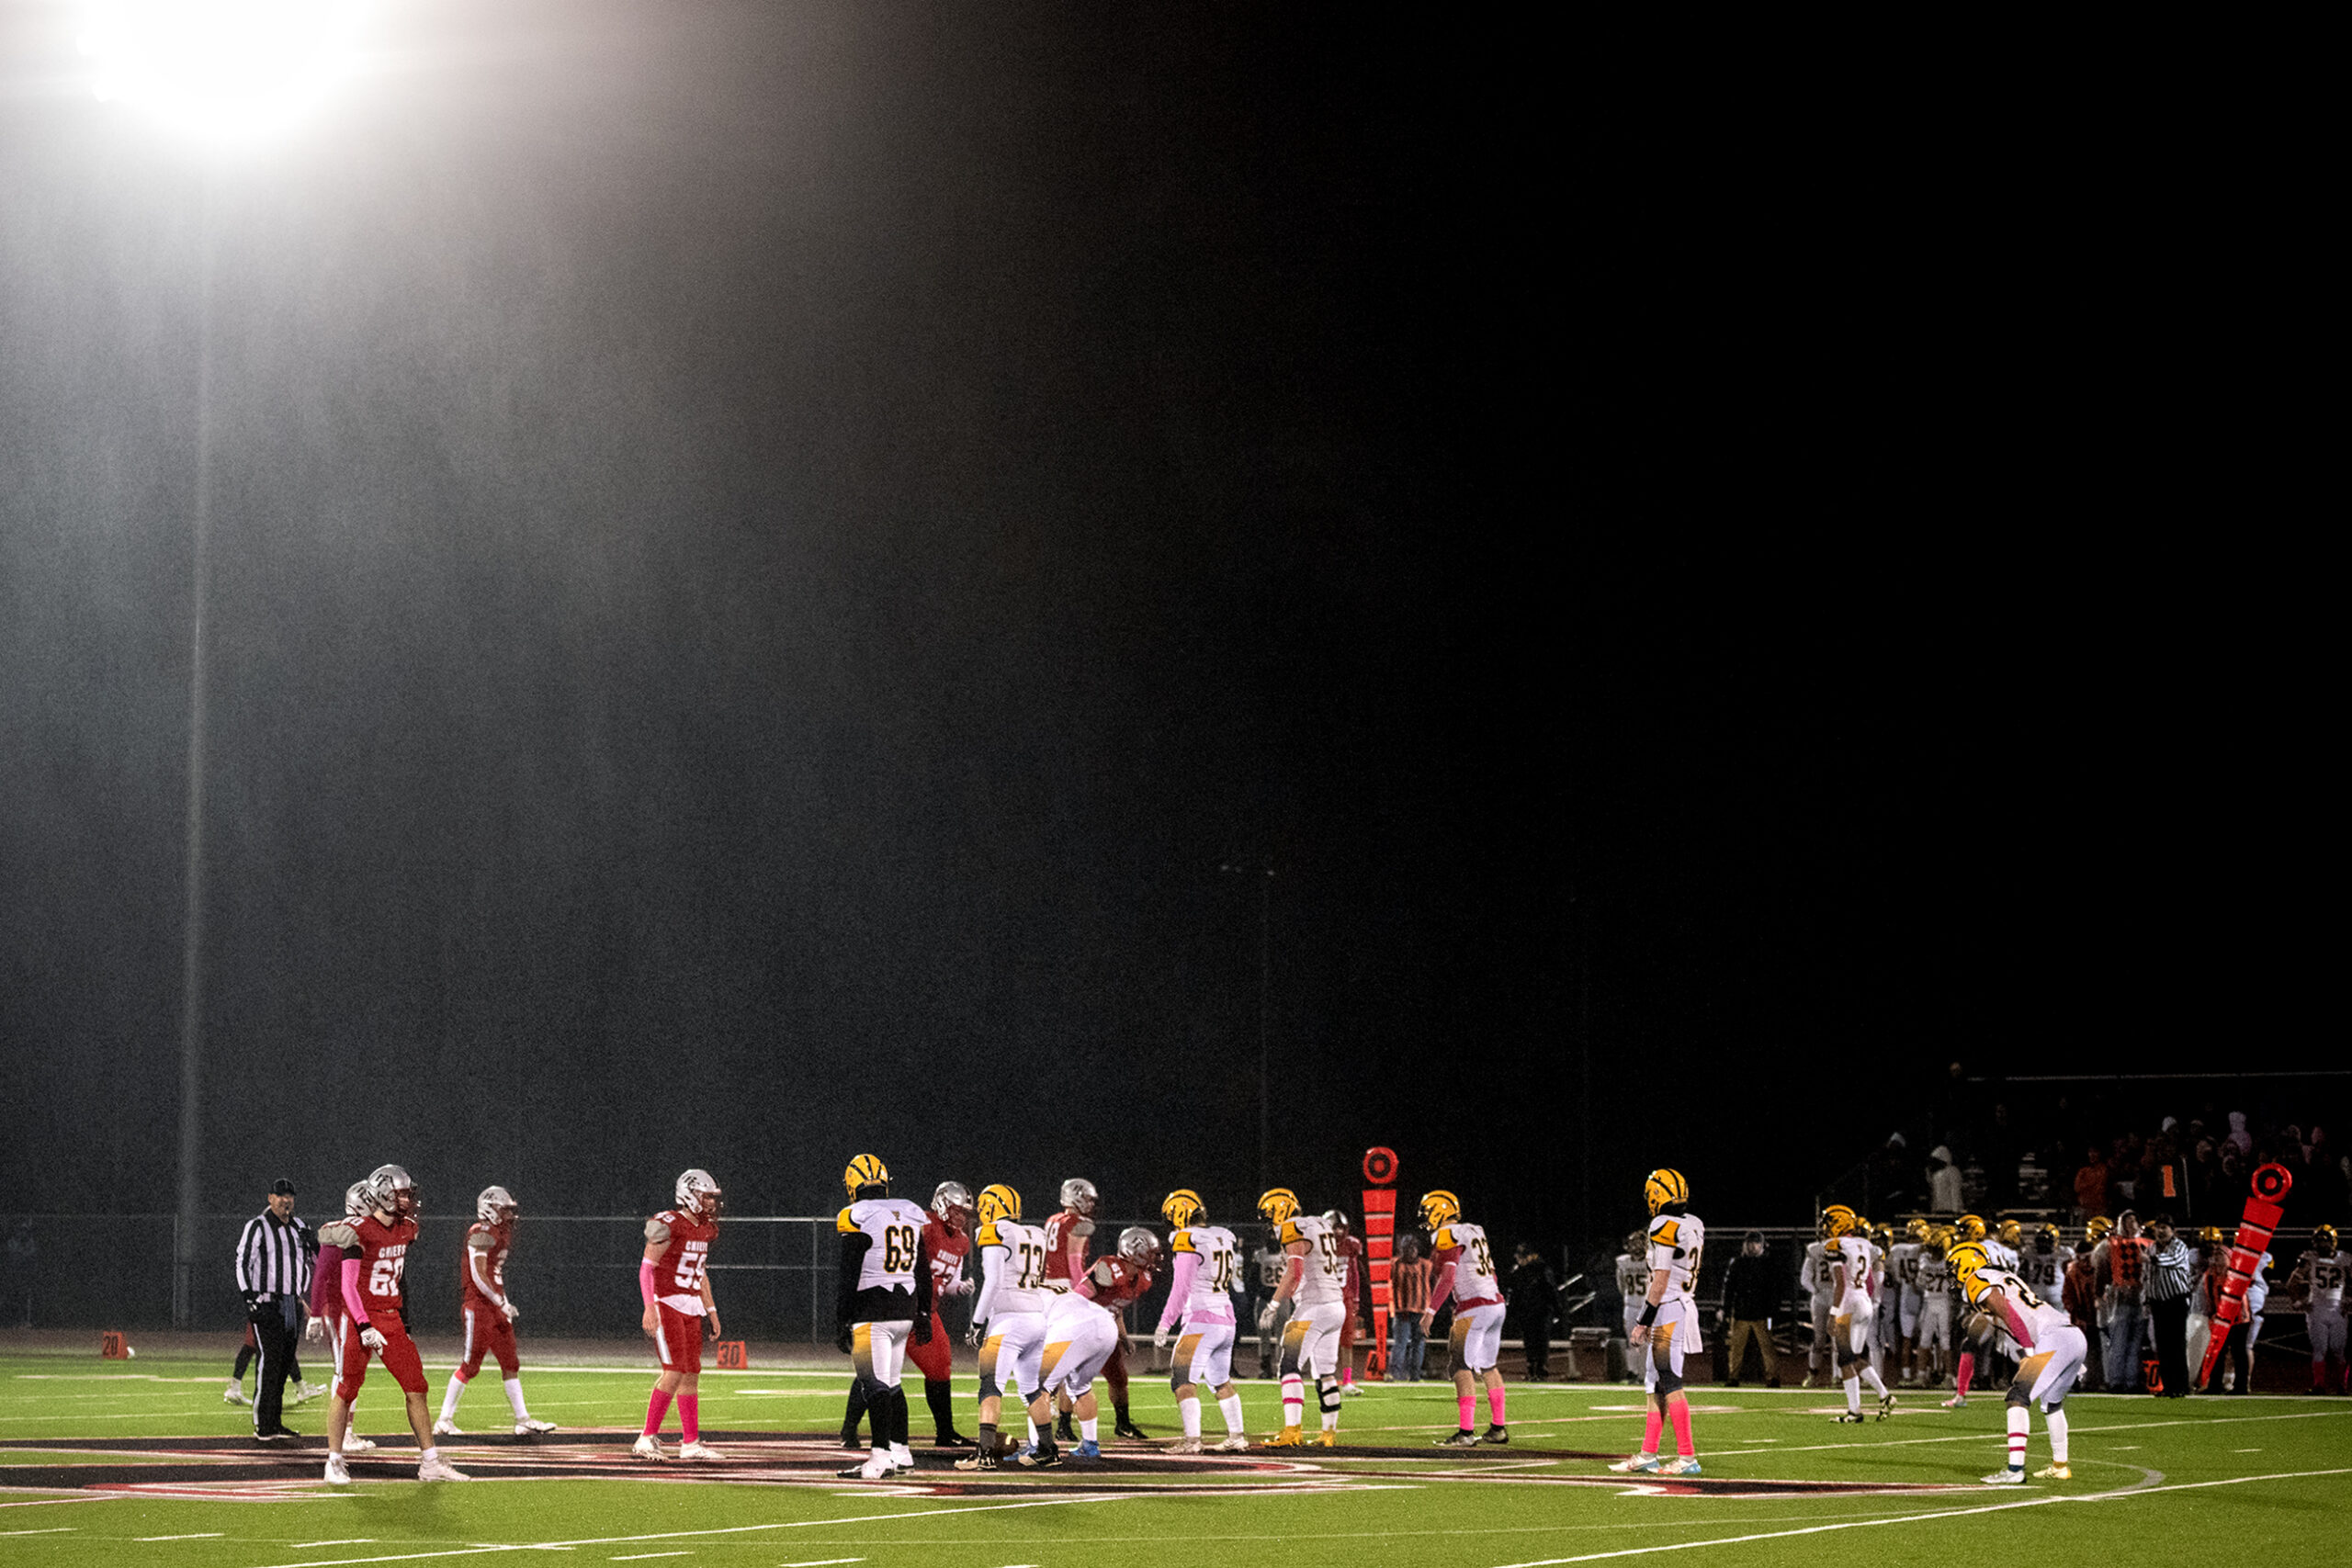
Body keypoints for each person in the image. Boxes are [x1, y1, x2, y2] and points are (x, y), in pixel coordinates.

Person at [318, 1165, 467, 1484]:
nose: (408, 1200)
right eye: (402, 1193)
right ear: (383, 1194)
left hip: (391, 1317)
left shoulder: (406, 1227)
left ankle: (429, 1463)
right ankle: (334, 1460)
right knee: (346, 1389)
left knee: (417, 1387)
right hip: (362, 1318)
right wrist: (362, 1325)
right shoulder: (360, 1231)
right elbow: (348, 1286)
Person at [1950, 1242, 2086, 1484]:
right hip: (2071, 1336)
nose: (1952, 1274)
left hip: (2052, 1339)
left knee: (2017, 1397)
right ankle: (2060, 1466)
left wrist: (2029, 1353)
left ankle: (2015, 1470)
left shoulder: (1976, 1280)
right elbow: (2008, 1312)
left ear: (1965, 1264)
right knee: (2052, 1403)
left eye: (1953, 1267)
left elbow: (2010, 1314)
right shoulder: (2002, 1276)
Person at [831, 1155, 933, 1480]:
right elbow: (923, 1271)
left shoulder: (857, 1215)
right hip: (905, 1309)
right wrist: (924, 1312)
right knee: (892, 1384)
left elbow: (849, 1274)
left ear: (852, 1185)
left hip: (872, 1311)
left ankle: (878, 1459)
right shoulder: (909, 1212)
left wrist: (842, 1318)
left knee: (872, 1385)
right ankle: (901, 1453)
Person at [435, 1186, 555, 1438]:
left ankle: (522, 1419)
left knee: (511, 1362)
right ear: (489, 1209)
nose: (509, 1215)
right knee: (470, 1366)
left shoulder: (501, 1233)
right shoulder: (480, 1233)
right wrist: (500, 1302)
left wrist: (503, 1302)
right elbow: (479, 1276)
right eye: (504, 1210)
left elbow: (494, 1275)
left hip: (496, 1304)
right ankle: (444, 1420)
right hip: (479, 1306)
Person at [1609, 1168, 1703, 1478]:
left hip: (1668, 1309)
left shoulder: (1663, 1223)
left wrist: (1641, 1321)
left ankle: (1687, 1457)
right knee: (1654, 1383)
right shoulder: (1693, 1223)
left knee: (1670, 1381)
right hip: (1677, 1307)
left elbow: (1660, 1279)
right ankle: (1649, 1453)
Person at [955, 1183, 1051, 1472]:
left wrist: (977, 1322)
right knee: (1032, 1389)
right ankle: (1047, 1449)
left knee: (990, 1387)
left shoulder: (995, 1231)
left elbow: (994, 1281)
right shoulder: (1037, 1233)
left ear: (991, 1207)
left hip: (1008, 1320)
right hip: (1037, 1318)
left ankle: (984, 1454)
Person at [633, 1168, 725, 1462]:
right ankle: (646, 1438)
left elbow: (701, 1273)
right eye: (706, 1197)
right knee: (673, 1372)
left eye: (713, 1197)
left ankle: (690, 1443)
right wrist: (650, 1307)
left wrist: (711, 1310)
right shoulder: (669, 1223)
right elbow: (647, 1267)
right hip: (666, 1304)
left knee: (691, 1375)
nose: (711, 1203)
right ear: (690, 1195)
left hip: (690, 1306)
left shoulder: (705, 1228)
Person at [1152, 1189, 1249, 1452]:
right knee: (1220, 1381)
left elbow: (1181, 1288)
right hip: (1226, 1319)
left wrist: (1165, 1322)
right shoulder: (1223, 1235)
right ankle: (1237, 1436)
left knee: (1182, 1379)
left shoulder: (1187, 1238)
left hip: (1201, 1319)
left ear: (1180, 1215)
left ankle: (1192, 1441)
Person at [1012, 1260, 1125, 1468]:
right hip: (1105, 1323)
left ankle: (1036, 1447)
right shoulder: (1053, 1288)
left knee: (1036, 1389)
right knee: (1081, 1387)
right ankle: (1090, 1444)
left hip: (1074, 1326)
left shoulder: (1022, 1295)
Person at [1420, 1190, 1508, 1447]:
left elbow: (1447, 1277)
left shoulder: (1449, 1235)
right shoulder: (1474, 1231)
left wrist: (1430, 1312)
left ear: (1439, 1211)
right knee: (1488, 1366)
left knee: (1460, 1366)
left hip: (1475, 1307)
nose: (1426, 1218)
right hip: (1495, 1304)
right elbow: (1492, 1275)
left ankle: (1466, 1433)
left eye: (1428, 1212)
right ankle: (1498, 1428)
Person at [1261, 1187, 1346, 1447]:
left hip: (1314, 1306)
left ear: (1280, 1210)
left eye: (1269, 1215)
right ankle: (1328, 1434)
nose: (1269, 1222)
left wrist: (1273, 1304)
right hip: (1336, 1306)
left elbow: (1294, 1272)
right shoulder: (1320, 1223)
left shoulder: (1292, 1227)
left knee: (1288, 1366)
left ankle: (1292, 1431)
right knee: (1325, 1372)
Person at [232, 1178, 312, 1442]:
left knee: (284, 1362)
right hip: (266, 1301)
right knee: (268, 1362)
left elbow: (316, 1260)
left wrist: (315, 1243)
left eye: (290, 1196)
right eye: (280, 1196)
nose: (286, 1200)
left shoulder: (300, 1227)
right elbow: (243, 1262)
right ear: (270, 1198)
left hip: (292, 1303)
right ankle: (263, 1424)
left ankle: (275, 1422)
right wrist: (249, 1298)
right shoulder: (257, 1226)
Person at [304, 1182, 379, 1454]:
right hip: (338, 1311)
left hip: (358, 1311)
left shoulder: (367, 1233)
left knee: (354, 1371)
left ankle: (348, 1431)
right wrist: (314, 1314)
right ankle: (343, 1433)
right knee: (343, 1370)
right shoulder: (337, 1232)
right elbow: (321, 1276)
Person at [1822, 1207, 1893, 1423]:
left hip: (1849, 1303)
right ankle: (1884, 1395)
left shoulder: (1836, 1245)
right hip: (1864, 1301)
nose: (1825, 1228)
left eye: (1829, 1222)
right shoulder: (1865, 1244)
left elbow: (1841, 1284)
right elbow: (1872, 1276)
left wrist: (1833, 1313)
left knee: (1844, 1359)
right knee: (1856, 1357)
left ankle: (1855, 1411)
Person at [2286, 1224, 2348, 1394]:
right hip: (2318, 1309)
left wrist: (2350, 1301)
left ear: (2333, 1242)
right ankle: (2320, 1385)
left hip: (2336, 1309)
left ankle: (2341, 1386)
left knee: (2338, 1350)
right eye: (2319, 1240)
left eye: (2325, 1240)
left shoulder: (2344, 1259)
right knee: (2320, 1350)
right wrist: (2298, 1301)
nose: (2322, 1244)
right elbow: (2292, 1282)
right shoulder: (2310, 1259)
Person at [1718, 1230, 1780, 1387]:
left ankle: (1772, 1376)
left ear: (1762, 1246)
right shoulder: (1738, 1263)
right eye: (1750, 1243)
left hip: (1762, 1313)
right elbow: (1729, 1288)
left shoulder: (1768, 1264)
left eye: (1755, 1243)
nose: (1752, 1246)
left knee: (1768, 1347)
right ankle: (1733, 1376)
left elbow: (1774, 1290)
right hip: (1741, 1312)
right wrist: (1726, 1309)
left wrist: (1773, 1311)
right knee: (1736, 1348)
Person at [2095, 1211, 2147, 1391]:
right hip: (2119, 1297)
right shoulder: (2110, 1245)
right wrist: (2099, 1294)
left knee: (2135, 1344)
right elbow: (2101, 1270)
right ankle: (2116, 1381)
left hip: (2142, 1298)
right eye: (2127, 1221)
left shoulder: (2147, 1244)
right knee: (2118, 1341)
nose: (2131, 1224)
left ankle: (2131, 1382)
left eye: (2134, 1220)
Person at [2143, 1215, 2193, 1397]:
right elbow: (2147, 1276)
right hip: (2158, 1302)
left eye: (2165, 1227)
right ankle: (2168, 1386)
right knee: (2162, 1346)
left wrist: (2150, 1259)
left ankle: (2181, 1386)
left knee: (2177, 1344)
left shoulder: (2179, 1246)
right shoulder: (2151, 1248)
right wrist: (2146, 1299)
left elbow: (2171, 1260)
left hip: (2176, 1300)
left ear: (2173, 1230)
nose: (2161, 1231)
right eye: (2158, 1227)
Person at [1506, 1242, 1558, 1382]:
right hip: (1527, 1311)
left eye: (1522, 1256)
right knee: (1529, 1341)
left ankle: (1541, 1369)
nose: (1519, 1259)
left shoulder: (1542, 1270)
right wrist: (1512, 1311)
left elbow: (1551, 1290)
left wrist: (1556, 1309)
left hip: (1542, 1311)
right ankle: (1532, 1369)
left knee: (1541, 1341)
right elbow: (1514, 1293)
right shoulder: (1518, 1272)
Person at [1329, 1212, 1366, 1393]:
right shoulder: (1319, 1245)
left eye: (1341, 1227)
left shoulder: (1351, 1244)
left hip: (1345, 1297)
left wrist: (1356, 1297)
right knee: (1324, 1340)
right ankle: (1323, 1378)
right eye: (1335, 1227)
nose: (1337, 1231)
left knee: (1347, 1339)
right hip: (1325, 1298)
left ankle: (1347, 1381)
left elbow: (1355, 1273)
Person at [1915, 1228, 1954, 1387]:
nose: (1933, 1253)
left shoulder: (1940, 1260)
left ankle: (1949, 1377)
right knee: (1924, 1340)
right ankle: (1921, 1375)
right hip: (1931, 1302)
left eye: (1936, 1249)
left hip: (1942, 1302)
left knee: (1945, 1341)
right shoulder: (1930, 1259)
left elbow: (1920, 1282)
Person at [1389, 1235, 1431, 1382]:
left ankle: (1415, 1375)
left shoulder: (1426, 1265)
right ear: (1402, 1249)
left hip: (1421, 1311)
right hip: (1402, 1311)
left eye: (1413, 1247)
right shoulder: (1395, 1264)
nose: (1411, 1251)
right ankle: (1395, 1374)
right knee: (1400, 1343)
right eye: (1408, 1247)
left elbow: (1434, 1281)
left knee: (1418, 1344)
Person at [2064, 1235, 2102, 1392]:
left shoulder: (2099, 1268)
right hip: (2081, 1316)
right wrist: (2076, 1314)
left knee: (2096, 1351)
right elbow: (2068, 1296)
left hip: (2098, 1315)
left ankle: (2095, 1380)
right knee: (2079, 1351)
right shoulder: (2073, 1271)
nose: (2085, 1260)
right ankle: (2078, 1382)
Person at [1891, 1218, 1928, 1385]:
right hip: (1923, 1295)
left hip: (1906, 1295)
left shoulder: (1897, 1249)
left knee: (1906, 1339)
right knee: (1925, 1339)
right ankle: (1924, 1373)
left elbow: (1893, 1273)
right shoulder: (1924, 1250)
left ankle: (1905, 1376)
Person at [1250, 1233, 1290, 1379]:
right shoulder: (1260, 1254)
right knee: (1265, 1335)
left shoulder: (1285, 1255)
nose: (1272, 1238)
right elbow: (1253, 1277)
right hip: (1267, 1297)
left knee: (1280, 1336)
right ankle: (1266, 1367)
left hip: (1280, 1298)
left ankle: (1280, 1367)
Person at [1616, 1231, 1653, 1384]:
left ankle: (1644, 1374)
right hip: (1631, 1305)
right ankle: (1633, 1372)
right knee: (1632, 1341)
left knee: (1645, 1342)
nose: (1634, 1246)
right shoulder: (1623, 1261)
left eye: (1637, 1242)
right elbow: (1621, 1286)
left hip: (1646, 1305)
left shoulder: (1651, 1261)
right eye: (1632, 1242)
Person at [1799, 1224, 1831, 1388]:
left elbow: (1805, 1279)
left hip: (1832, 1295)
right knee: (1820, 1339)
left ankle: (1839, 1376)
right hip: (1824, 1296)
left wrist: (1816, 1291)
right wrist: (1817, 1290)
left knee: (1838, 1339)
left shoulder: (1817, 1249)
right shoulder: (1815, 1249)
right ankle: (1813, 1373)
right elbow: (1805, 1278)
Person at [1928, 1146, 1963, 1214]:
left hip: (1950, 1209)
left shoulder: (1952, 1171)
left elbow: (1955, 1190)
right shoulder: (1936, 1174)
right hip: (1939, 1209)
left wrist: (1955, 1209)